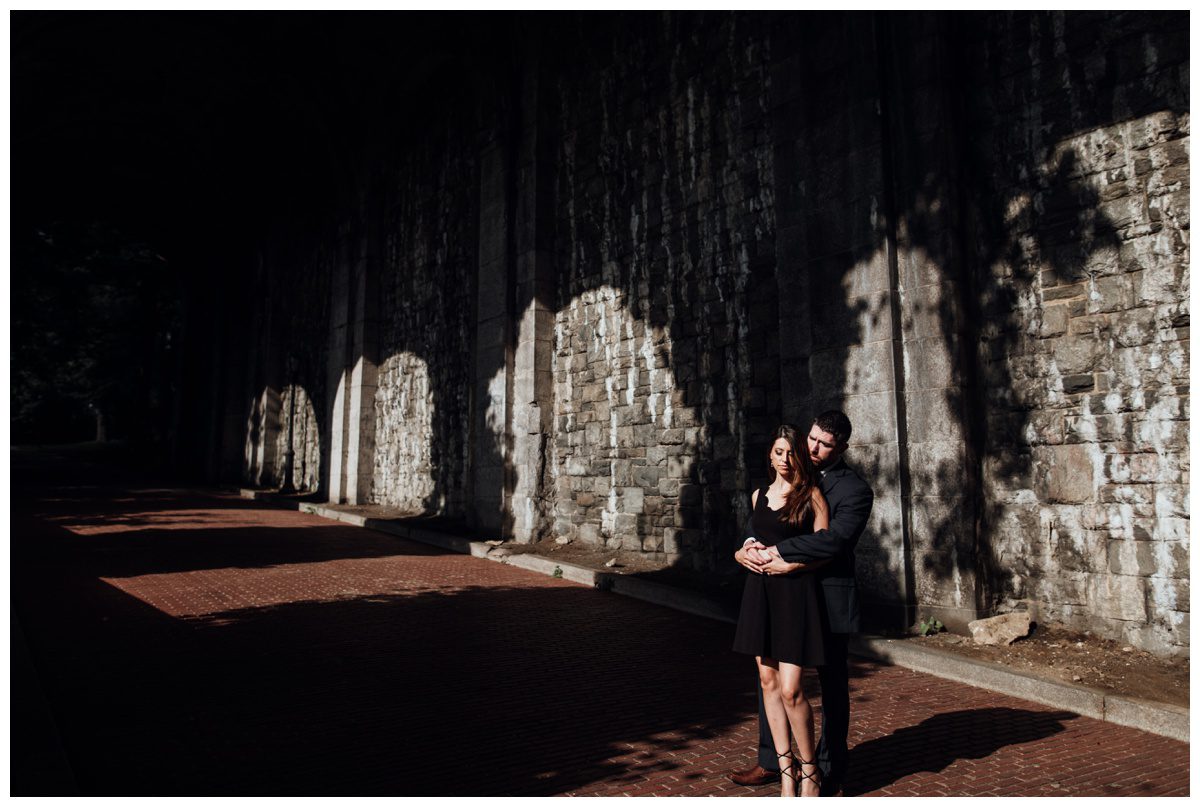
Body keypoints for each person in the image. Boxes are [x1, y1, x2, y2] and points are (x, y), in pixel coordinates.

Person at [729, 411, 874, 797]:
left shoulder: (854, 489)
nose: (813, 447)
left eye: (824, 444)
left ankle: (829, 769)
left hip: (826, 596)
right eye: (811, 438)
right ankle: (772, 762)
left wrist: (779, 553)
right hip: (779, 591)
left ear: (841, 448)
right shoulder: (788, 472)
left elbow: (833, 541)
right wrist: (747, 548)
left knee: (830, 685)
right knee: (770, 679)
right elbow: (761, 521)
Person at [731, 423, 831, 797]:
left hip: (795, 596)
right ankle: (786, 773)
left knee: (792, 689)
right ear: (770, 456)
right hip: (759, 594)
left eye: (790, 452)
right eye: (778, 452)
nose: (785, 459)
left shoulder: (812, 496)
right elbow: (749, 537)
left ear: (799, 456)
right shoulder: (758, 495)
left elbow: (825, 551)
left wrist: (793, 564)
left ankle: (811, 771)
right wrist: (741, 552)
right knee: (768, 682)